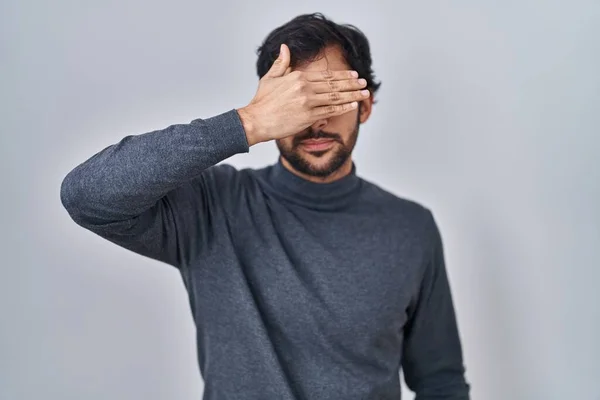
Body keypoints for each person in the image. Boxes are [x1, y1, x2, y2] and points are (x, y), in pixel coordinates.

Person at [60, 12, 470, 400]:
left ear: (363, 106)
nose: (315, 122)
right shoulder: (212, 206)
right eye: (299, 102)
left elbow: (441, 380)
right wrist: (248, 122)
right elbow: (87, 196)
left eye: (330, 97)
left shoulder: (411, 227)